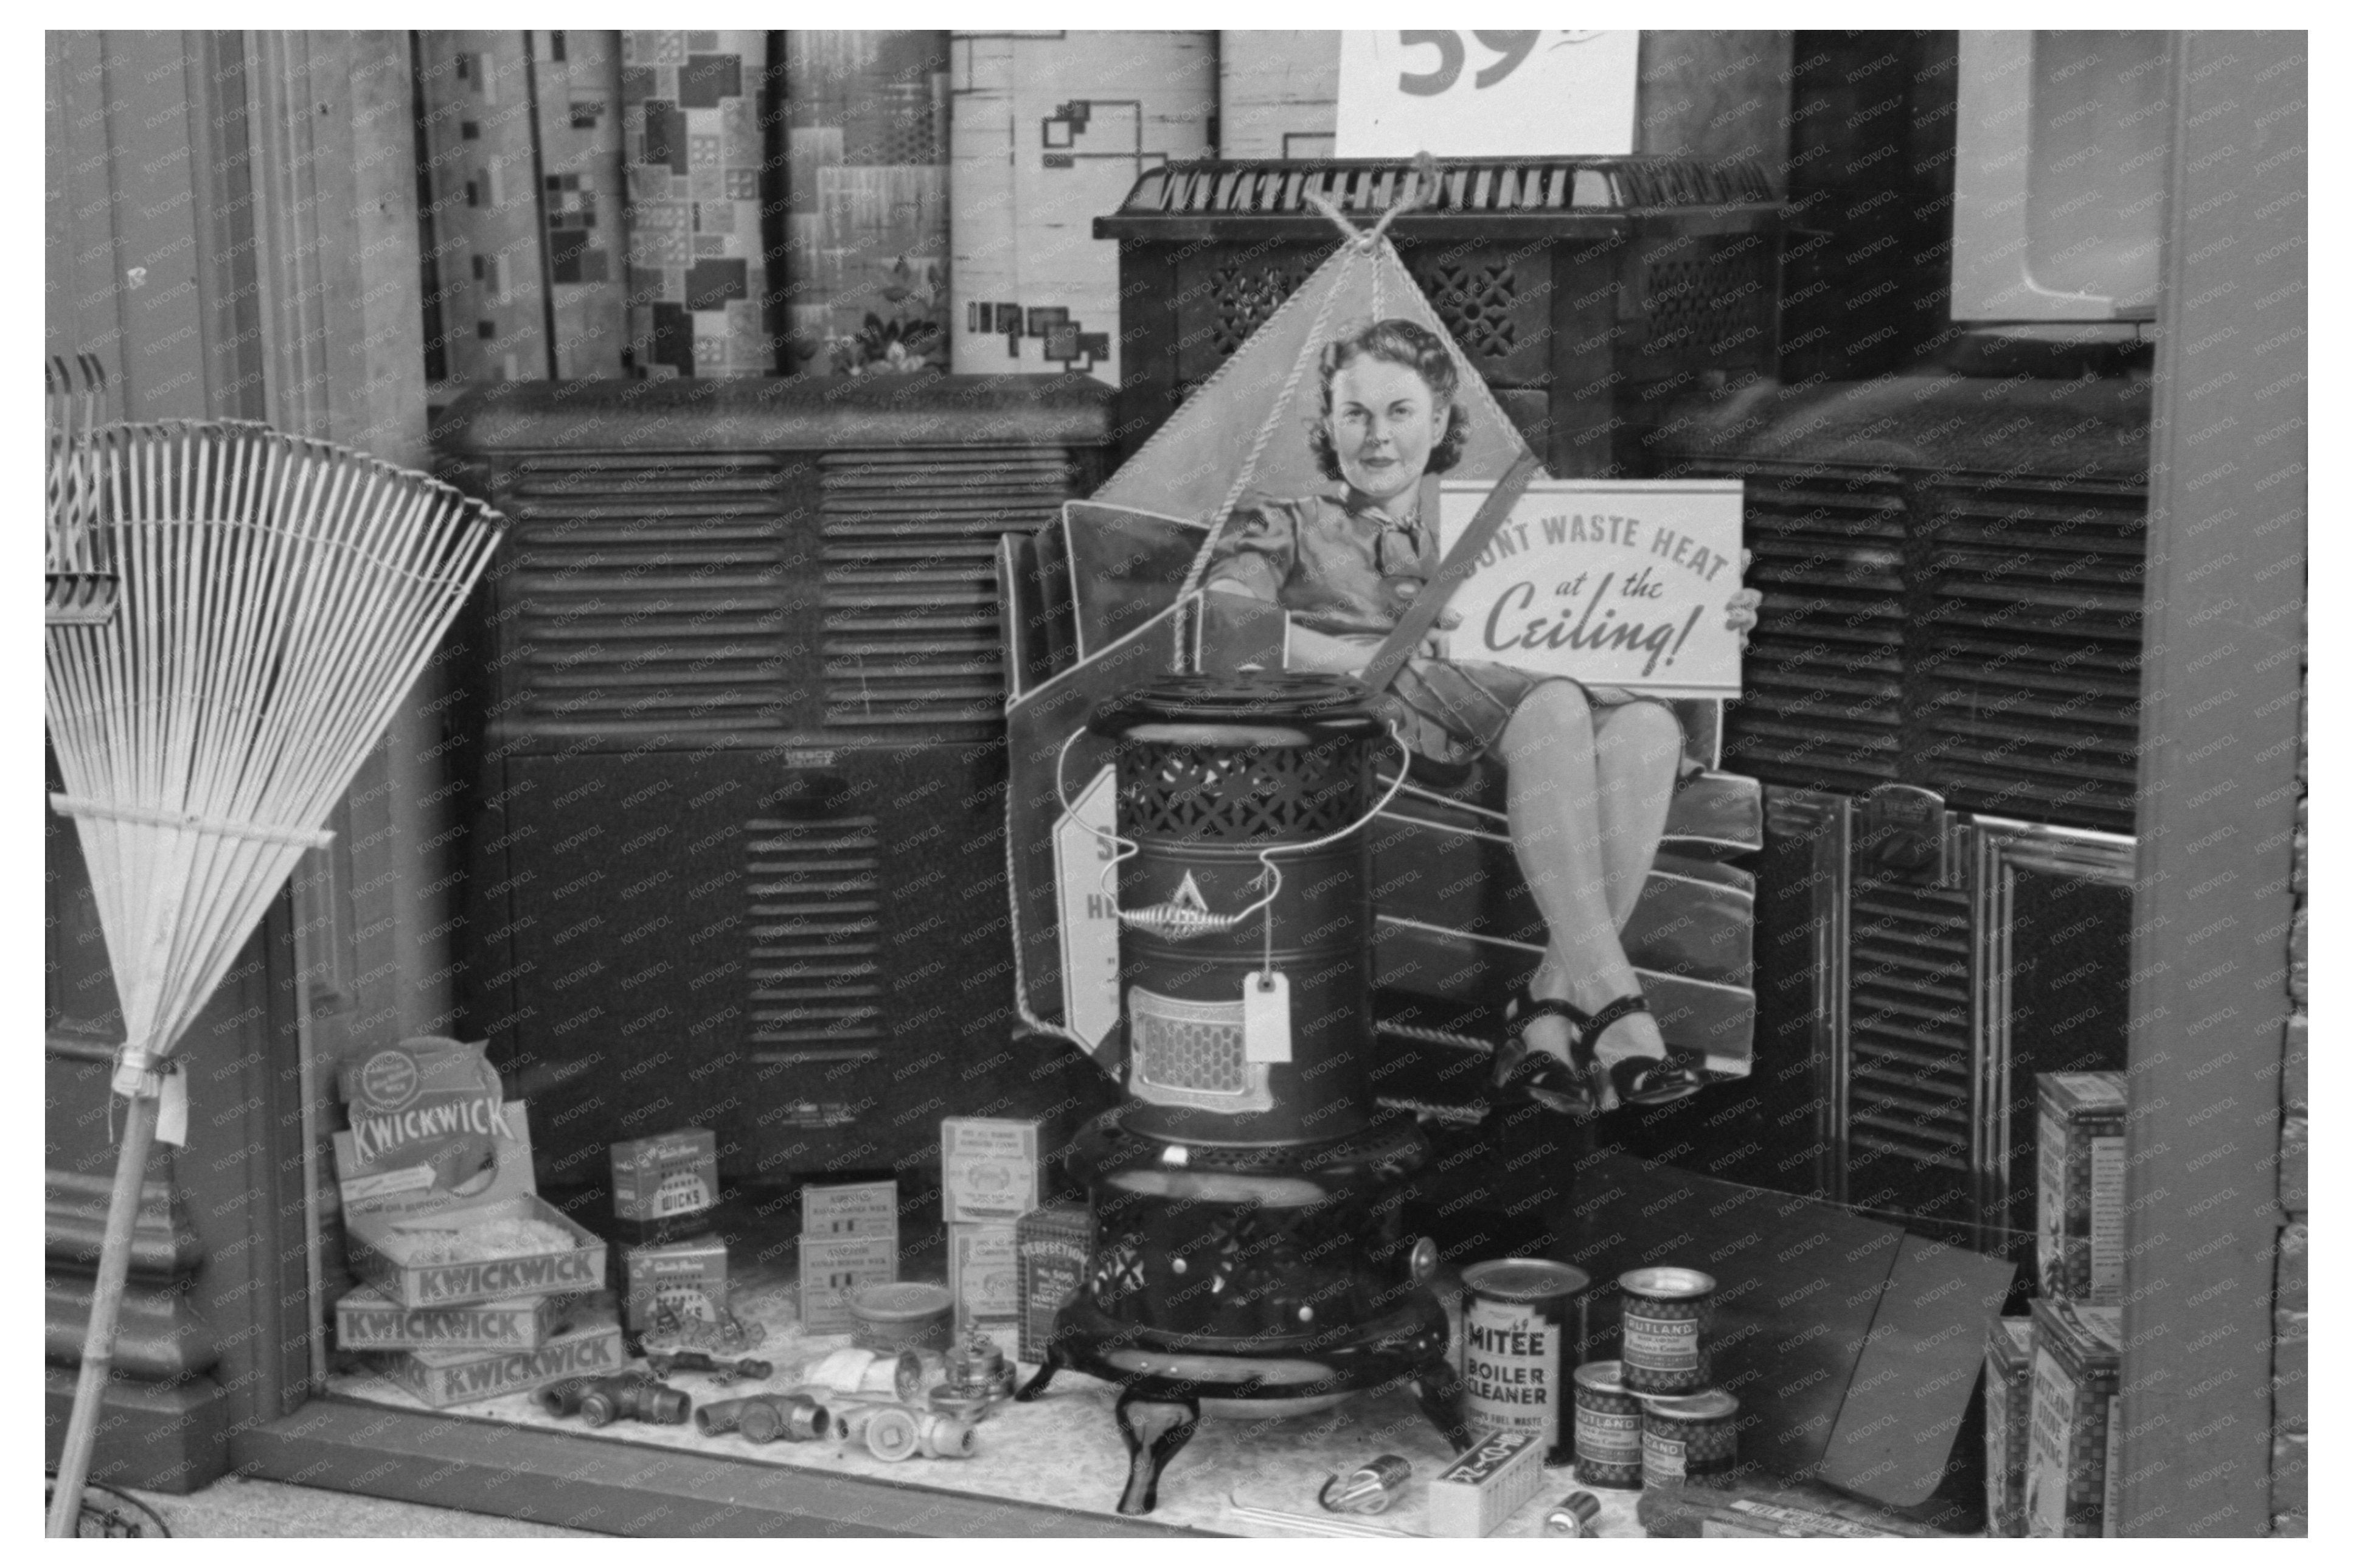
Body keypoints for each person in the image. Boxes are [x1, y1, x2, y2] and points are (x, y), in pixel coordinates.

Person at [1201, 317, 1760, 1115]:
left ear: (1438, 421)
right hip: (1385, 721)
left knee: (1649, 730)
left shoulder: (1490, 532)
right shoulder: (1284, 522)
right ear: (1327, 424)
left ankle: (1543, 1013)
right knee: (1558, 700)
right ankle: (1619, 1016)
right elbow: (1225, 626)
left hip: (1503, 712)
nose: (1378, 436)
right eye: (1355, 413)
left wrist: (1706, 607)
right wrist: (1357, 654)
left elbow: (1601, 610)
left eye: (1400, 412)